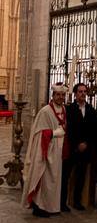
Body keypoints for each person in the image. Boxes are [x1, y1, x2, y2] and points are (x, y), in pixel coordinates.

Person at [21, 83, 68, 217]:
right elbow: (39, 133)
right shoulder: (46, 111)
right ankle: (38, 207)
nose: (60, 97)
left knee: (54, 181)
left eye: (62, 95)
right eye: (58, 95)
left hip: (57, 151)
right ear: (53, 96)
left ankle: (50, 206)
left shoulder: (63, 109)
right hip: (45, 150)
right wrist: (54, 133)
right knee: (43, 179)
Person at [61, 83, 97, 211]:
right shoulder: (69, 110)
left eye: (84, 91)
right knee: (66, 176)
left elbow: (94, 130)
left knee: (81, 176)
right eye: (80, 91)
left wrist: (86, 143)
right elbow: (68, 129)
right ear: (75, 94)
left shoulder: (91, 110)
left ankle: (77, 201)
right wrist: (77, 144)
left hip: (85, 149)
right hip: (72, 148)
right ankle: (62, 202)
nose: (83, 94)